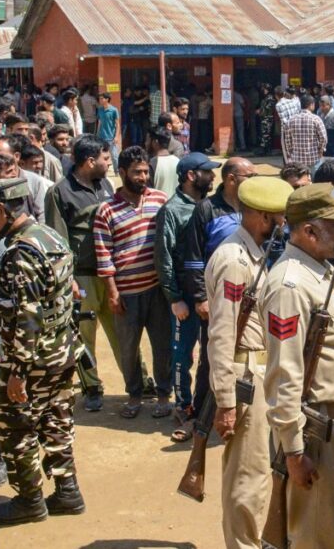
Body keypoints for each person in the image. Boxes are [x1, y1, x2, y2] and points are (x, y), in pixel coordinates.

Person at [260, 184, 334, 549]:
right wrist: (293, 451)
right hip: (315, 432)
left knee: (321, 528)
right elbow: (284, 373)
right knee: (314, 538)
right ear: (309, 231)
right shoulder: (290, 284)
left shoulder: (317, 271)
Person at [206, 176, 292, 549]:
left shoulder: (252, 255)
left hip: (258, 371)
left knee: (258, 470)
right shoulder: (234, 261)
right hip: (244, 375)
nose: (283, 224)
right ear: (260, 217)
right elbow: (223, 332)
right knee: (248, 475)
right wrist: (226, 399)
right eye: (278, 217)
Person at [0, 178, 83, 530]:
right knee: (57, 419)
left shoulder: (20, 254)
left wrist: (17, 371)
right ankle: (67, 491)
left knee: (16, 426)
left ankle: (29, 499)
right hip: (62, 352)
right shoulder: (50, 237)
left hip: (33, 360)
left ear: (2, 209)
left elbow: (27, 317)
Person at [44, 136, 130, 412]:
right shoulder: (59, 192)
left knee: (123, 331)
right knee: (83, 336)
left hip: (110, 273)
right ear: (90, 161)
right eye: (105, 159)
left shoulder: (105, 185)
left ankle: (136, 380)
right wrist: (66, 279)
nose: (109, 163)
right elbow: (58, 239)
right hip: (80, 277)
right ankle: (92, 386)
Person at [93, 146, 173, 419]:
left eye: (145, 172)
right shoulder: (106, 210)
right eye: (137, 172)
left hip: (157, 290)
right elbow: (104, 256)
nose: (143, 177)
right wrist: (113, 294)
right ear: (123, 172)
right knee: (128, 350)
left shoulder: (160, 200)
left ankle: (164, 394)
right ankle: (135, 395)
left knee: (162, 346)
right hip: (126, 294)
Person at [184, 158, 257, 438]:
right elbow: (193, 258)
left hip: (249, 299)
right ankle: (201, 414)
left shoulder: (253, 206)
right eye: (249, 175)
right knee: (212, 357)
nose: (254, 179)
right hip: (216, 299)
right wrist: (201, 298)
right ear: (231, 179)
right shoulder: (206, 209)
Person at [154, 152, 219, 439]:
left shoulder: (208, 207)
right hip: (185, 298)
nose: (213, 176)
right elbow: (164, 257)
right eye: (207, 171)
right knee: (183, 355)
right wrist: (174, 297)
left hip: (209, 294)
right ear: (192, 175)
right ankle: (184, 406)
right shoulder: (172, 210)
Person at [280, 94, 326, 169]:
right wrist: (321, 150)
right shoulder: (316, 119)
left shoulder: (291, 120)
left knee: (301, 180)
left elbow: (288, 140)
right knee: (315, 180)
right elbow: (323, 138)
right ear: (311, 105)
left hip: (297, 160)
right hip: (313, 158)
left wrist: (290, 153)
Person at [147, 127, 180, 198]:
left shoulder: (152, 163)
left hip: (157, 206)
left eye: (148, 140)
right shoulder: (177, 161)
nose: (146, 143)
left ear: (155, 142)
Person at [96, 93, 120, 171]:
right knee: (100, 155)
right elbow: (99, 123)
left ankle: (117, 171)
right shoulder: (100, 109)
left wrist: (116, 136)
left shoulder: (114, 110)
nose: (101, 100)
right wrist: (97, 133)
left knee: (114, 156)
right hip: (101, 137)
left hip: (111, 137)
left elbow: (117, 125)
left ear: (107, 99)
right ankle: (103, 170)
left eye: (102, 98)